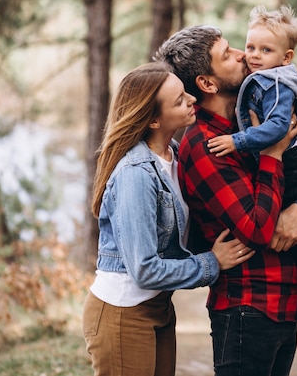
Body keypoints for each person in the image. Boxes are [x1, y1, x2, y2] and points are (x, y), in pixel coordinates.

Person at [154, 24, 297, 376]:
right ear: (207, 83)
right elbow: (256, 230)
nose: (243, 55)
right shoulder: (206, 146)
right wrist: (272, 155)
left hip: (284, 303)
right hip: (247, 308)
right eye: (228, 54)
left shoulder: (250, 124)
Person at [82, 61, 254, 376]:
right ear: (154, 121)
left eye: (185, 92)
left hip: (159, 307)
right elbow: (145, 269)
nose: (192, 99)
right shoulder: (137, 174)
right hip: (123, 312)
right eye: (179, 101)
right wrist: (211, 262)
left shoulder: (173, 156)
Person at [207, 5, 297, 331]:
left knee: (281, 221)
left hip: (291, 163)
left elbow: (276, 129)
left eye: (265, 50)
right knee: (289, 220)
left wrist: (238, 141)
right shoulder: (268, 78)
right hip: (292, 161)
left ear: (286, 58)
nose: (253, 56)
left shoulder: (274, 84)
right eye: (250, 47)